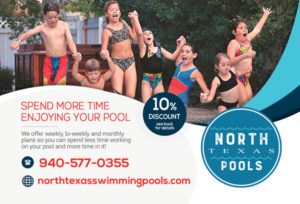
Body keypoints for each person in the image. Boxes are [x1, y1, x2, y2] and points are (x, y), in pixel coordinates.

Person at [10, 2, 79, 85]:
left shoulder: (64, 26)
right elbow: (27, 33)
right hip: (49, 61)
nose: (53, 20)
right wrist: (19, 40)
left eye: (55, 17)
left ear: (58, 15)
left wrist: (74, 52)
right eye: (50, 17)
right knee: (47, 84)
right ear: (45, 16)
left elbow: (70, 41)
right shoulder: (42, 27)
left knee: (59, 84)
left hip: (62, 61)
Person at [129, 11, 185, 103]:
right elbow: (139, 34)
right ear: (142, 39)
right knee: (146, 105)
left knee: (160, 105)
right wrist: (135, 18)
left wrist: (180, 46)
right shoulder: (143, 49)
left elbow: (172, 57)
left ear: (153, 36)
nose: (147, 35)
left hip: (159, 80)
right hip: (147, 80)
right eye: (145, 34)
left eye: (149, 33)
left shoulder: (159, 49)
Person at [227, 7, 272, 106]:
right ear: (234, 32)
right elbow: (229, 62)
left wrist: (265, 15)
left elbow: (256, 30)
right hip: (236, 77)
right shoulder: (234, 43)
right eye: (241, 28)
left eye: (246, 28)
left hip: (245, 77)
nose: (245, 30)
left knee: (249, 104)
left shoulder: (248, 40)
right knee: (244, 103)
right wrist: (245, 55)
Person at [100, 0, 138, 97]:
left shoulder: (124, 23)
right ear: (107, 14)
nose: (115, 12)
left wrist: (133, 21)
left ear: (120, 13)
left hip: (130, 61)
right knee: (118, 94)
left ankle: (128, 112)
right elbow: (103, 51)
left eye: (117, 10)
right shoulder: (107, 31)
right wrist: (104, 53)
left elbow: (135, 37)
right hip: (116, 63)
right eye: (111, 10)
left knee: (131, 95)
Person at [168, 43, 209, 107]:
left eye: (187, 52)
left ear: (194, 55)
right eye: (182, 51)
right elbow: (178, 51)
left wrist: (204, 96)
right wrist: (179, 45)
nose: (184, 54)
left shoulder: (195, 72)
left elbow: (206, 90)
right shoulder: (179, 63)